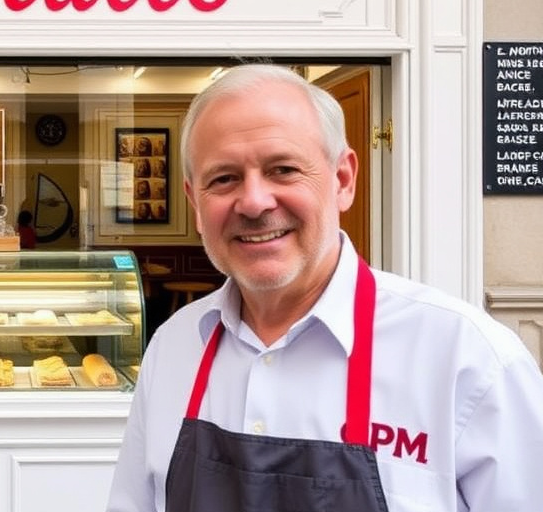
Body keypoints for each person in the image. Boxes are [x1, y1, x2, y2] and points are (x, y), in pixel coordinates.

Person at [106, 63, 543, 512]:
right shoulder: (174, 346)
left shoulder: (469, 361)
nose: (254, 202)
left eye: (283, 169)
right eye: (224, 178)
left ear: (343, 180)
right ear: (196, 203)